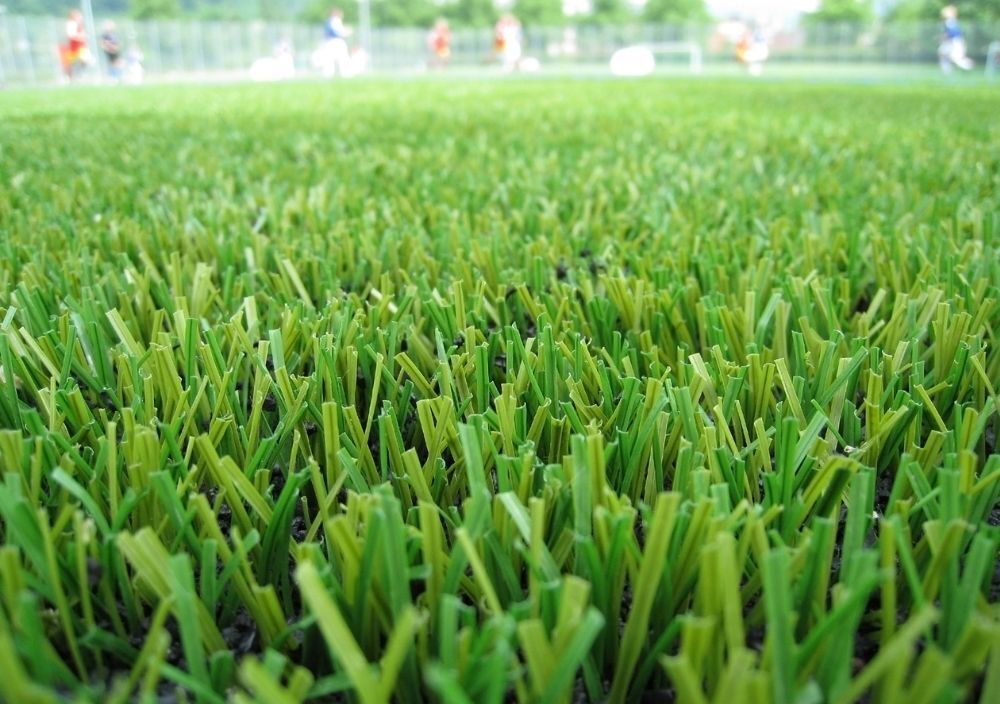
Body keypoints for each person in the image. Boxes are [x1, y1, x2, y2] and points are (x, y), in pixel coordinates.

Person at [316, 7, 353, 77]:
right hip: (336, 41)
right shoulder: (335, 20)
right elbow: (339, 32)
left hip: (329, 41)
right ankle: (346, 74)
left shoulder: (329, 21)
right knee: (342, 58)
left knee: (329, 59)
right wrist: (347, 31)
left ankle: (328, 74)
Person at [939, 5, 973, 73]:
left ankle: (969, 66)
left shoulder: (951, 22)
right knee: (942, 53)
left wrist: (944, 38)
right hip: (951, 42)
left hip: (955, 42)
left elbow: (953, 33)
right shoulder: (950, 22)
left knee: (956, 58)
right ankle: (946, 71)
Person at [59, 9, 90, 80]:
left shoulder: (79, 24)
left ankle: (78, 74)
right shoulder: (71, 24)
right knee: (72, 63)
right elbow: (71, 35)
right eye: (78, 16)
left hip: (81, 46)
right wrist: (80, 36)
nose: (80, 17)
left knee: (85, 59)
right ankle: (70, 76)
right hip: (74, 46)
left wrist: (84, 37)